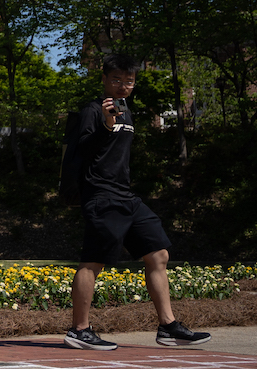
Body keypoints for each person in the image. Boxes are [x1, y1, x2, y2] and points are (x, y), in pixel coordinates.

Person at [64, 55, 210, 352]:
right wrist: (106, 124)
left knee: (158, 255)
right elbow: (83, 149)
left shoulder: (126, 112)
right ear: (104, 79)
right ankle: (79, 329)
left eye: (128, 81)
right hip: (101, 196)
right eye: (116, 80)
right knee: (93, 260)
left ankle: (168, 327)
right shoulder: (92, 111)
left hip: (126, 196)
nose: (122, 86)